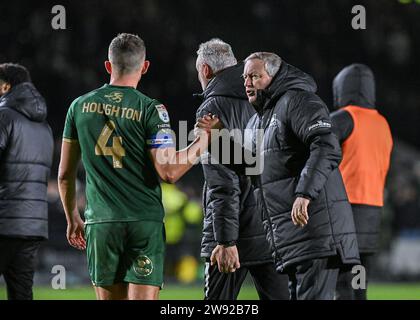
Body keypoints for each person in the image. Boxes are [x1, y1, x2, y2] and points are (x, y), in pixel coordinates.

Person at [58, 33, 218, 300]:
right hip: (143, 224)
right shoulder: (151, 109)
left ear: (108, 66)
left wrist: (72, 215)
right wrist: (204, 139)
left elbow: (64, 174)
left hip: (101, 222)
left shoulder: (78, 107)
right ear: (144, 67)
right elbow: (169, 172)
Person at [242, 52, 360, 300]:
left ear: (274, 77)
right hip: (291, 238)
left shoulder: (298, 100)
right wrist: (216, 137)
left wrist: (304, 193)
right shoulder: (257, 121)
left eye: (255, 76)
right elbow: (252, 171)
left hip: (315, 232)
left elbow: (326, 146)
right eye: (245, 77)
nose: (247, 83)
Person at [195, 39, 289, 300]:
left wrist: (225, 241)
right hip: (273, 231)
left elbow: (223, 182)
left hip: (235, 236)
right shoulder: (270, 98)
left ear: (205, 70)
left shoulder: (212, 108)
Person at [331, 64, 393, 300]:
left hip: (345, 212)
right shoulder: (383, 124)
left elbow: (317, 150)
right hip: (373, 213)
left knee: (342, 284)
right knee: (359, 284)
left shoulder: (344, 118)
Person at [0, 63, 54, 300]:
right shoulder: (44, 127)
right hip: (32, 225)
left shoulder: (4, 117)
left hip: (4, 220)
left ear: (5, 86)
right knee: (22, 294)